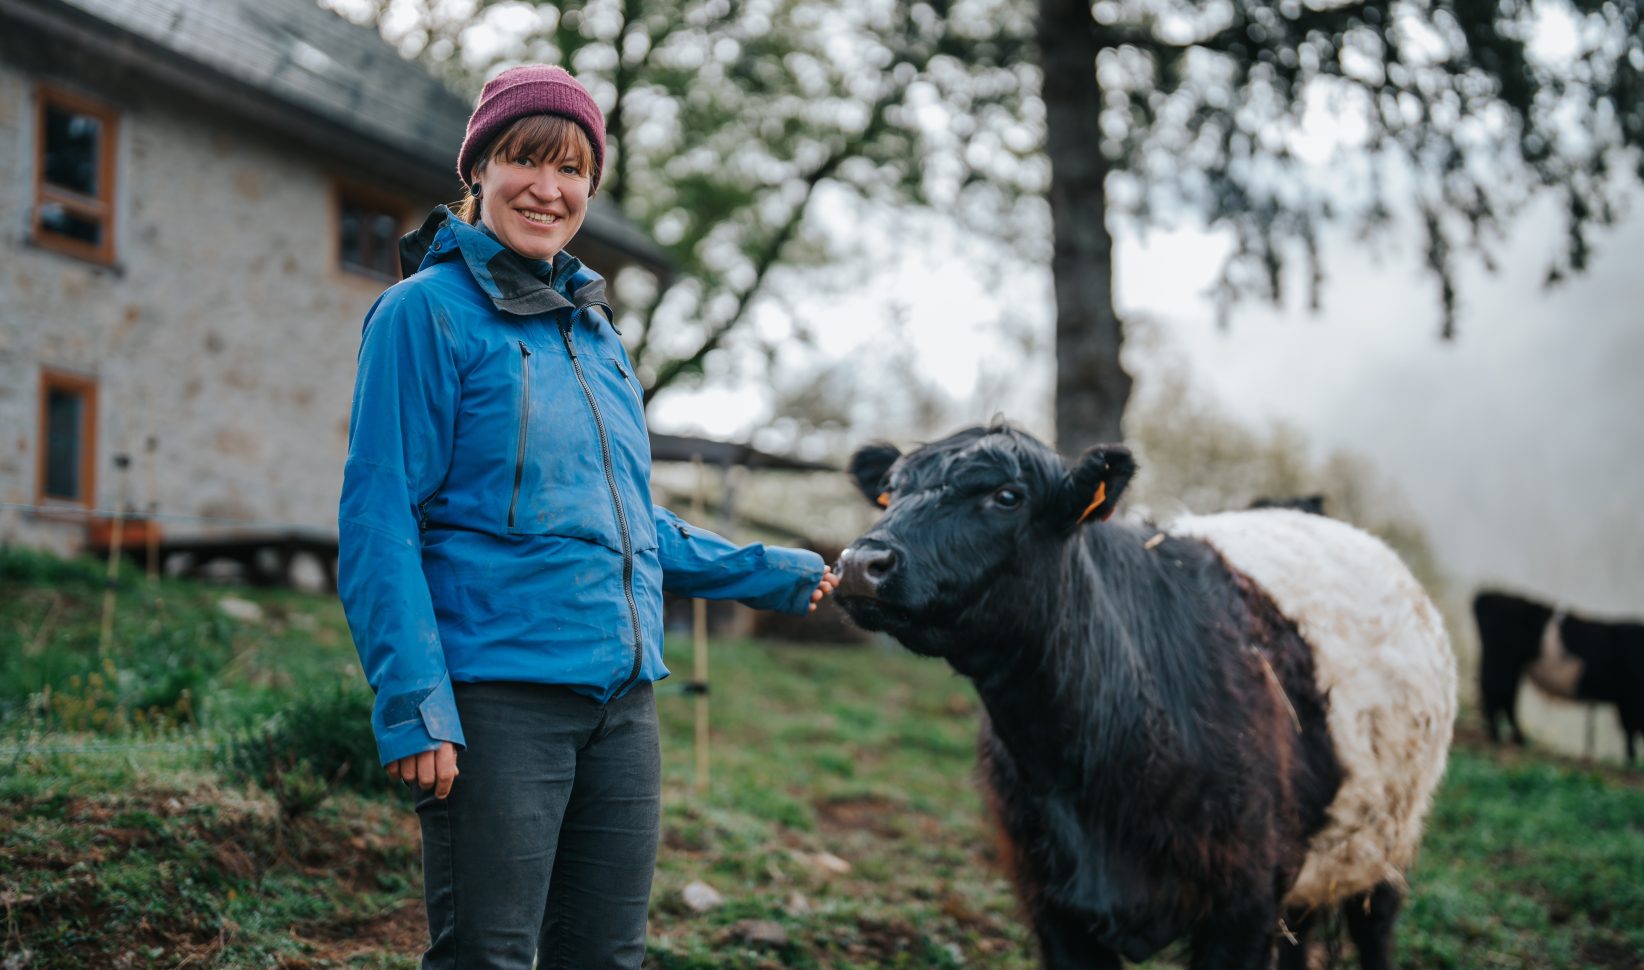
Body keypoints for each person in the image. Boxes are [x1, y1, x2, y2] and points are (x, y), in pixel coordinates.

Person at [337, 64, 837, 969]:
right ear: (479, 170)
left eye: (571, 169)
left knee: (607, 957)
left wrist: (780, 571)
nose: (547, 187)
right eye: (523, 159)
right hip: (499, 705)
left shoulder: (597, 337)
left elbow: (634, 525)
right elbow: (380, 521)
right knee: (490, 958)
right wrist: (415, 702)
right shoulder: (423, 316)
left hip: (623, 703)